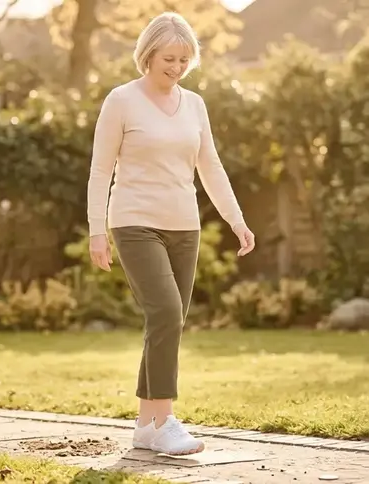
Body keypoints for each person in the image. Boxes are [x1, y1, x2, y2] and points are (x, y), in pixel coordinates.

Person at [86, 12, 255, 456]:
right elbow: (101, 169)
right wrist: (95, 231)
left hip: (185, 225)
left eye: (184, 59)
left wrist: (236, 220)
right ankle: (164, 420)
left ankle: (145, 424)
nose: (176, 67)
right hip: (134, 221)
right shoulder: (121, 100)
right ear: (148, 54)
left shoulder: (195, 104)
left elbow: (211, 167)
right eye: (168, 58)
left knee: (169, 319)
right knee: (164, 311)